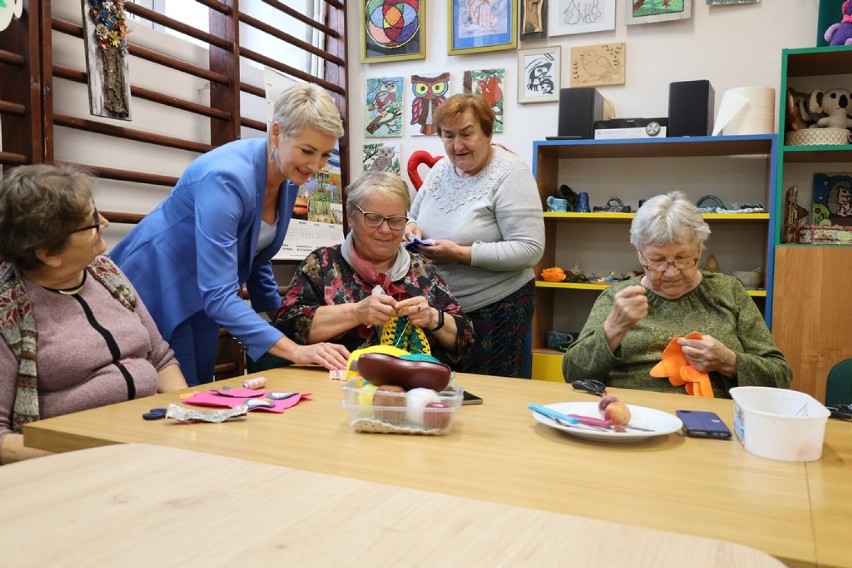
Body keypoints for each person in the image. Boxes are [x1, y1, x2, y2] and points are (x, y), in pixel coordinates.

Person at [110, 83, 350, 385]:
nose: (315, 165)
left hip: (205, 292)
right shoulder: (227, 179)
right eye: (307, 151)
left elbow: (255, 253)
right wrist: (295, 351)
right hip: (158, 284)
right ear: (276, 133)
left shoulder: (289, 177)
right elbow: (220, 295)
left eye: (325, 154)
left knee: (199, 385)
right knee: (179, 399)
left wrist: (279, 323)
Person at [0, 165, 187, 464]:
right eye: (90, 223)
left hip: (149, 440)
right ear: (48, 251)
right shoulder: (7, 310)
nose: (105, 222)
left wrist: (185, 419)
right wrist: (88, 458)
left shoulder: (106, 272)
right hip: (71, 461)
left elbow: (162, 360)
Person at [563, 191, 793, 397]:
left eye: (683, 258)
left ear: (700, 250)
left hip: (713, 420)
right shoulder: (618, 298)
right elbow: (572, 374)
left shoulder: (729, 291)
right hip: (632, 416)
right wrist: (612, 329)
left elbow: (780, 377)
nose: (671, 272)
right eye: (657, 260)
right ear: (640, 255)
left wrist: (729, 362)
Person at [406, 94, 545, 377]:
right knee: (440, 391)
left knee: (490, 396)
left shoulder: (511, 173)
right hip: (440, 310)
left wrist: (460, 253)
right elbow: (413, 216)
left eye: (466, 134)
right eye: (448, 136)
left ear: (487, 133)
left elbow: (530, 249)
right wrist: (410, 229)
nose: (457, 145)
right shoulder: (441, 170)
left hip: (497, 309)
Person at [274, 172, 474, 365]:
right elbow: (287, 327)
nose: (385, 230)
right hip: (337, 386)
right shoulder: (321, 263)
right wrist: (355, 313)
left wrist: (433, 318)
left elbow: (465, 338)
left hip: (412, 390)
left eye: (395, 220)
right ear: (350, 217)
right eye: (373, 218)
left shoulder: (422, 269)